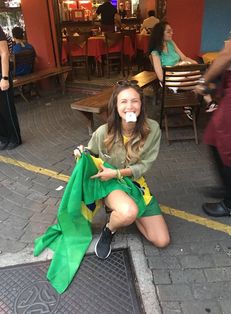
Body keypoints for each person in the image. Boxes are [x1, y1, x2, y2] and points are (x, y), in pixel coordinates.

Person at [74, 80, 170, 259]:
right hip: (110, 183)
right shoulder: (104, 132)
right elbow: (90, 153)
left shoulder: (153, 129)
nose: (130, 107)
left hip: (135, 183)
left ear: (141, 104)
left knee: (161, 240)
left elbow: (144, 165)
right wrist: (80, 152)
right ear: (116, 106)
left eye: (134, 101)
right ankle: (110, 229)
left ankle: (127, 214)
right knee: (128, 212)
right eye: (123, 101)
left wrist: (118, 172)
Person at [195, 16, 231, 218]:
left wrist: (205, 79)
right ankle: (229, 187)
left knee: (228, 144)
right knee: (213, 137)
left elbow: (230, 51)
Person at [149, 22, 218, 116]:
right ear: (160, 34)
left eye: (172, 30)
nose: (172, 33)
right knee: (198, 82)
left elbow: (184, 57)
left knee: (196, 74)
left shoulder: (171, 43)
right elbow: (161, 77)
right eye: (168, 31)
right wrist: (177, 67)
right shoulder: (155, 53)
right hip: (169, 78)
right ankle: (205, 99)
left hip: (183, 73)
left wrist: (196, 64)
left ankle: (203, 102)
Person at [0, 26, 22, 150]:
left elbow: (4, 53)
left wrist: (5, 77)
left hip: (1, 73)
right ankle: (3, 138)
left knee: (6, 109)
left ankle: (14, 138)